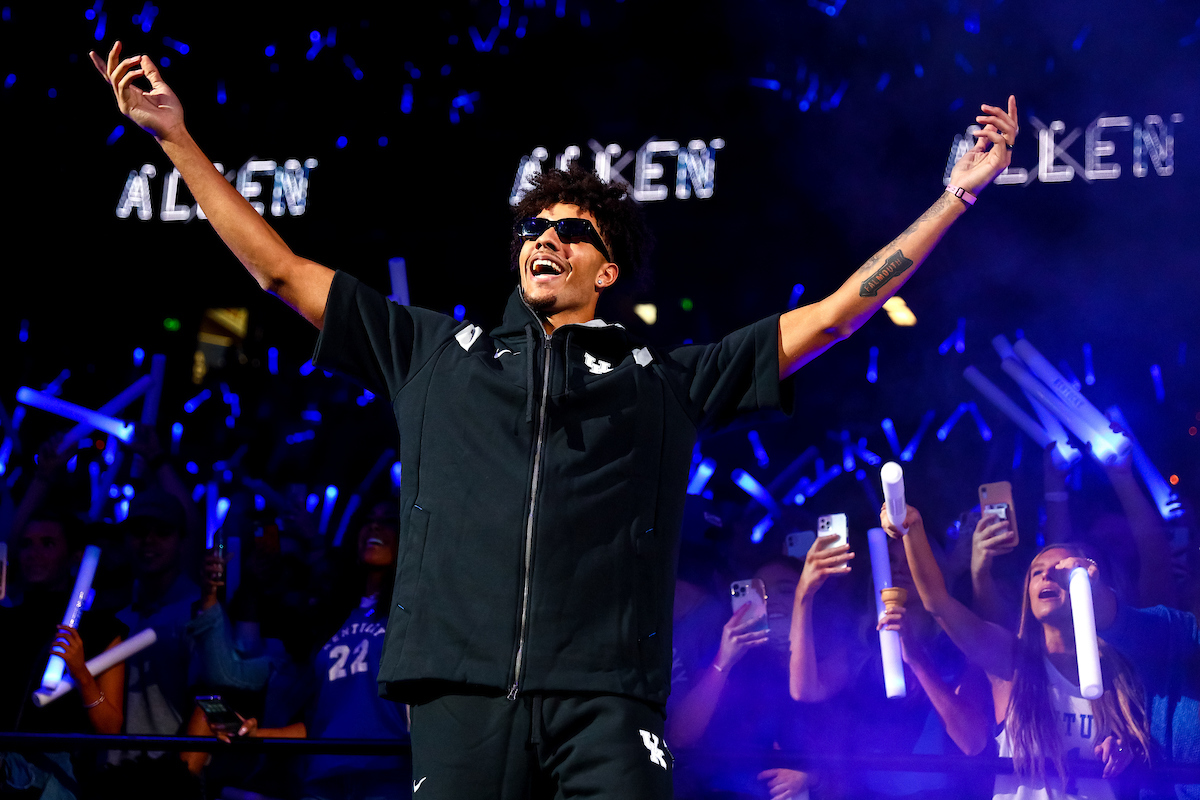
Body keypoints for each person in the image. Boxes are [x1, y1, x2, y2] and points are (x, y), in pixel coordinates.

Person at [91, 39, 1019, 799]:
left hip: (605, 699)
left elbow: (837, 311)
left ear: (607, 271)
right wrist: (175, 140)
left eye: (573, 231)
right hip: (460, 693)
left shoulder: (663, 376)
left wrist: (956, 197)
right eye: (536, 229)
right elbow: (282, 272)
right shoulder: (433, 352)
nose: (547, 238)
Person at [882, 503, 1152, 800]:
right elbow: (937, 602)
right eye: (1037, 572)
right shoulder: (1011, 659)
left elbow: (1139, 748)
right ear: (1028, 592)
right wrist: (913, 529)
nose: (1047, 577)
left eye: (1061, 571)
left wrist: (1125, 749)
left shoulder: (1117, 669)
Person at [187, 501, 411, 800]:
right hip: (324, 780)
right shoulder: (336, 620)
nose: (374, 526)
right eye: (369, 519)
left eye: (389, 521)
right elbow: (319, 722)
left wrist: (314, 541)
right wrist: (255, 733)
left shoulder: (413, 613)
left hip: (386, 777)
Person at [0, 509, 128, 798]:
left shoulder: (102, 629)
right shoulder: (6, 621)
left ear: (74, 557)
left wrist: (81, 673)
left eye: (48, 543)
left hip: (58, 782)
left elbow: (111, 729)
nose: (34, 553)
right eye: (27, 544)